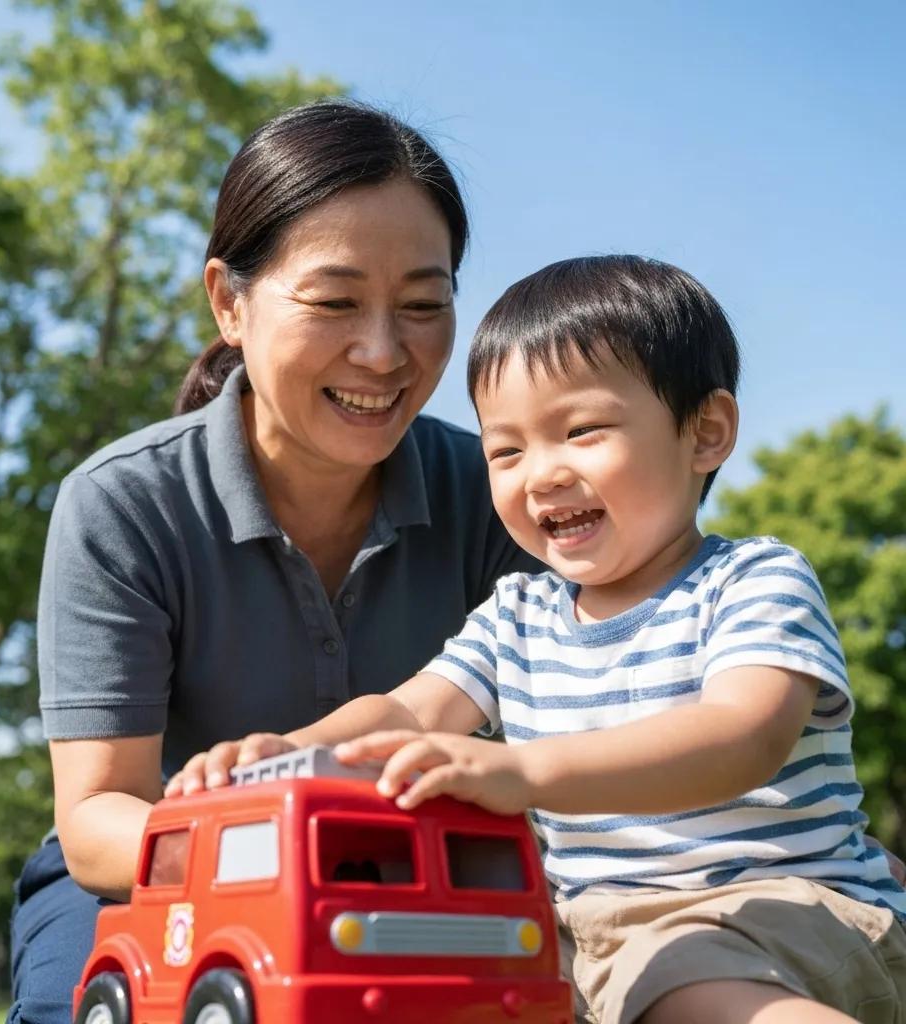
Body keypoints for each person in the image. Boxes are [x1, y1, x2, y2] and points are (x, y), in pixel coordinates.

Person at [173, 256, 906, 1024]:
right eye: (508, 450)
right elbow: (407, 716)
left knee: (693, 993)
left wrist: (524, 770)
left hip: (774, 908)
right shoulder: (518, 614)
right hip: (581, 931)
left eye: (582, 431)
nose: (541, 475)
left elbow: (741, 736)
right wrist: (281, 757)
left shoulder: (753, 579)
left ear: (706, 432)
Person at [7, 101, 540, 1024]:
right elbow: (99, 818)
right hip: (148, 877)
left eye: (424, 304)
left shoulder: (499, 493)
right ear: (229, 300)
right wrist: (278, 849)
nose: (383, 352)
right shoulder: (123, 503)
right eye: (335, 302)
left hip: (414, 873)